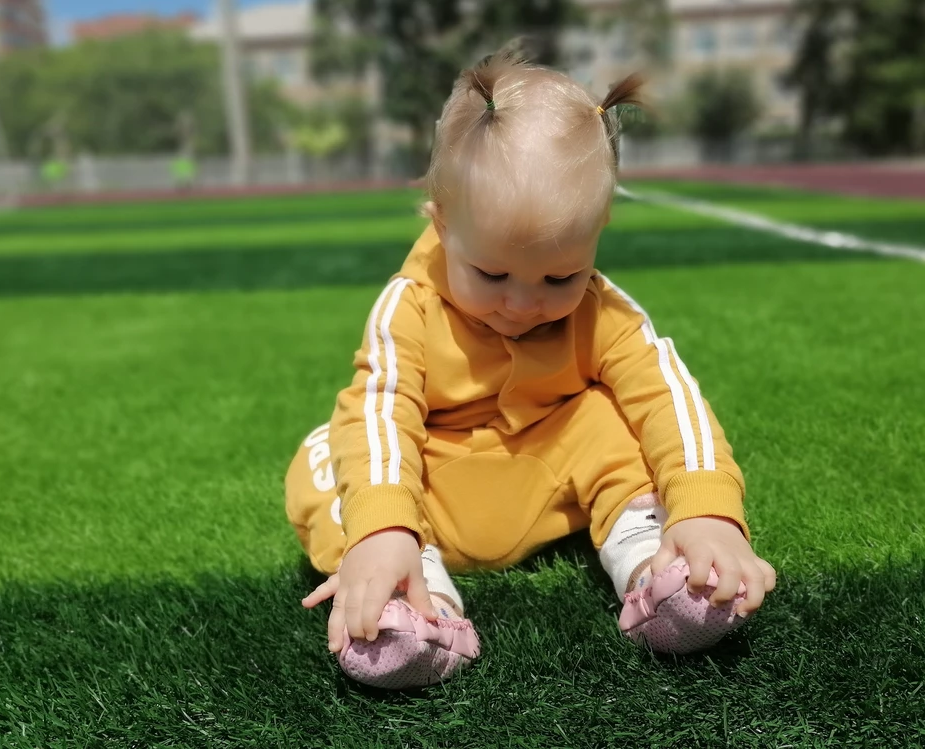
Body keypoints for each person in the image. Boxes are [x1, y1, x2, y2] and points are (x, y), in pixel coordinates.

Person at [285, 47, 777, 690]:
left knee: (609, 419)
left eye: (559, 275)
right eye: (490, 273)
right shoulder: (409, 307)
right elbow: (382, 410)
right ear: (442, 224)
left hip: (548, 476)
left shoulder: (605, 314)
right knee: (326, 461)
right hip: (431, 487)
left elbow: (670, 399)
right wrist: (383, 525)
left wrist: (708, 510)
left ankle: (660, 561)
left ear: (598, 232)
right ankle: (409, 590)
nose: (521, 303)